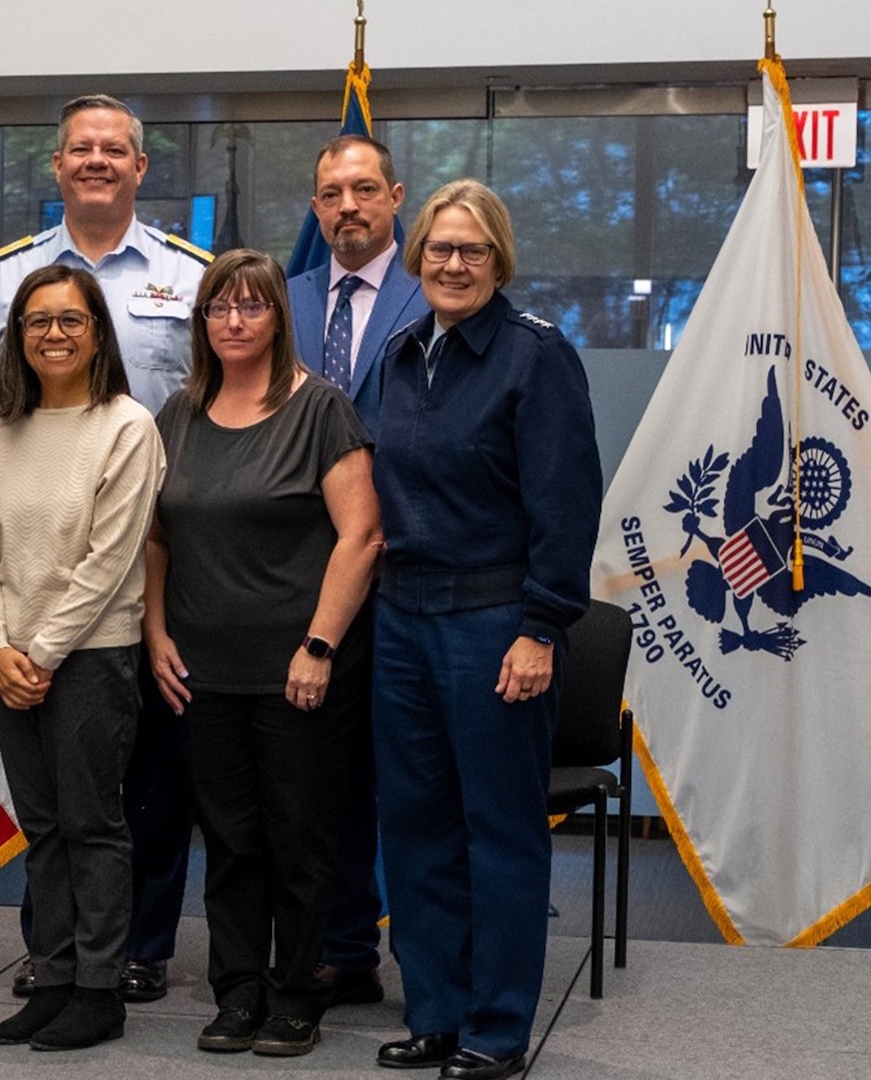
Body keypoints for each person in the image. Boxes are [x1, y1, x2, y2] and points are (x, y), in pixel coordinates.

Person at [0, 91, 206, 1004]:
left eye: (115, 149)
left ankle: (135, 954)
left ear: (141, 167)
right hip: (34, 564)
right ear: (55, 168)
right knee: (58, 805)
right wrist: (0, 638)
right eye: (79, 150)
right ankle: (54, 955)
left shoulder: (189, 277)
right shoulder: (2, 280)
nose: (96, 161)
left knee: (152, 788)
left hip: (170, 562)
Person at [371, 179, 601, 1080]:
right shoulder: (398, 354)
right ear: (417, 256)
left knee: (499, 829)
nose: (453, 264)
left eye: (471, 251)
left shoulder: (533, 357)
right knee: (415, 826)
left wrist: (543, 627)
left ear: (498, 260)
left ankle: (496, 1028)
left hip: (497, 621)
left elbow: (566, 502)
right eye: (438, 249)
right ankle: (434, 1009)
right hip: (401, 619)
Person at [145, 249, 382, 1057]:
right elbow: (156, 538)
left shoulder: (320, 408)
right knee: (231, 837)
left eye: (251, 307)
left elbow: (362, 535)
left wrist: (318, 646)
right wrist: (155, 632)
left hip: (300, 670)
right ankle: (237, 990)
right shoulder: (179, 412)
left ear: (278, 317)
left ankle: (295, 992)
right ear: (201, 319)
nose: (234, 322)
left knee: (299, 837)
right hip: (201, 669)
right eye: (219, 308)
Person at [0, 265, 165, 1051]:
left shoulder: (126, 426)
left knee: (91, 823)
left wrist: (38, 653)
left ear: (97, 333)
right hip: (11, 659)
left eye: (70, 321)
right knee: (42, 827)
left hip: (90, 657)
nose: (53, 334)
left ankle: (98, 988)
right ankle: (50, 978)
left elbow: (111, 563)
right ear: (16, 336)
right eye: (36, 321)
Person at [285, 134, 431, 1007]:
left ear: (395, 197)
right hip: (301, 576)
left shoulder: (440, 292)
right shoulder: (285, 298)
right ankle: (340, 946)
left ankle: (429, 963)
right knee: (318, 780)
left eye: (365, 189)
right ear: (314, 208)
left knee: (405, 778)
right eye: (332, 194)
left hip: (412, 571)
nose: (348, 207)